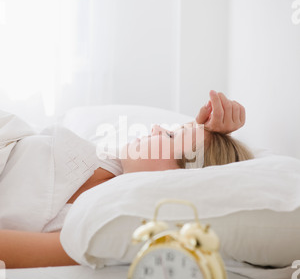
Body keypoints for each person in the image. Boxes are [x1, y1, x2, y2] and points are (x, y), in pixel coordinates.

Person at [0, 90, 253, 269]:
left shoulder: (103, 226)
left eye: (167, 135)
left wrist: (200, 145)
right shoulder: (114, 162)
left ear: (176, 179)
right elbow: (184, 156)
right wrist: (205, 126)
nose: (155, 128)